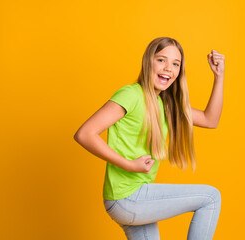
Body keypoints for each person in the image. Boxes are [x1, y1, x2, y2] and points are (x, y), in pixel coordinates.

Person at [74, 37, 225, 240]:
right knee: (210, 197)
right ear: (148, 62)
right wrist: (129, 165)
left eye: (175, 64)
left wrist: (219, 76)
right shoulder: (131, 94)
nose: (168, 68)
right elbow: (84, 133)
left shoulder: (165, 104)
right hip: (128, 197)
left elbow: (210, 119)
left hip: (131, 199)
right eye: (161, 60)